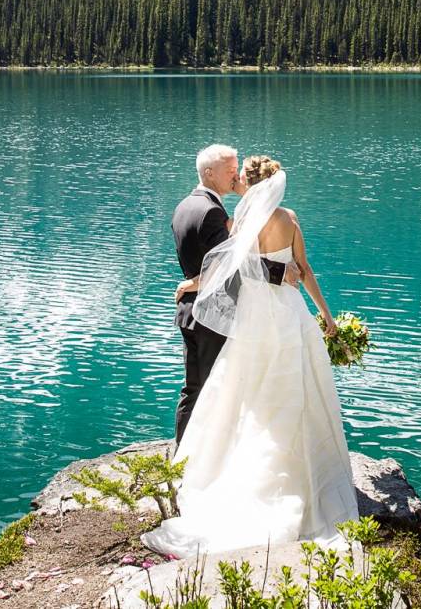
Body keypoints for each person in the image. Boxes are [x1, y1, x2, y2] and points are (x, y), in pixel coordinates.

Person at [146, 154, 359, 557]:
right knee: (295, 390)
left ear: (252, 183)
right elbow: (304, 269)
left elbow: (231, 265)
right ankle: (300, 476)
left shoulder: (241, 220)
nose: (236, 177)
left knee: (242, 393)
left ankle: (231, 470)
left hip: (253, 319)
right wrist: (326, 317)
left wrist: (193, 284)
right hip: (288, 315)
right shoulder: (289, 219)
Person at [171, 144, 302, 443]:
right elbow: (231, 262)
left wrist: (191, 283)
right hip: (210, 315)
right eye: (229, 171)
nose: (235, 176)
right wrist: (280, 271)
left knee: (195, 388)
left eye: (236, 170)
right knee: (211, 389)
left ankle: (184, 455)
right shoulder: (211, 213)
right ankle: (194, 456)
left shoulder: (186, 206)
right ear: (208, 173)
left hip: (191, 312)